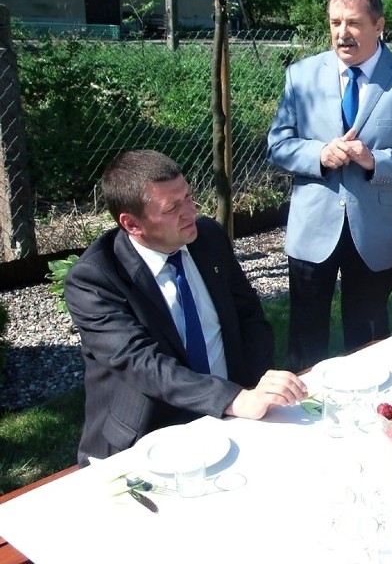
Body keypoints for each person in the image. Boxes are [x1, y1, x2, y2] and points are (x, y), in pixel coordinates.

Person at [64, 150, 308, 466]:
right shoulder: (96, 278)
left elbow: (250, 317)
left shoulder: (208, 238)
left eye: (189, 197)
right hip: (148, 436)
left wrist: (254, 387)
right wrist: (234, 399)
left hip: (233, 414)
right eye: (172, 208)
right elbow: (142, 363)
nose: (191, 212)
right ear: (132, 224)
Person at [267, 0, 392, 372]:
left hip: (374, 231)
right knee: (305, 337)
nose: (342, 33)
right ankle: (301, 417)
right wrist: (319, 153)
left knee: (368, 340)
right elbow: (278, 144)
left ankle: (367, 413)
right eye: (335, 23)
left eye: (353, 23)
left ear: (379, 25)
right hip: (313, 226)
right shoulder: (301, 75)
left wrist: (374, 160)